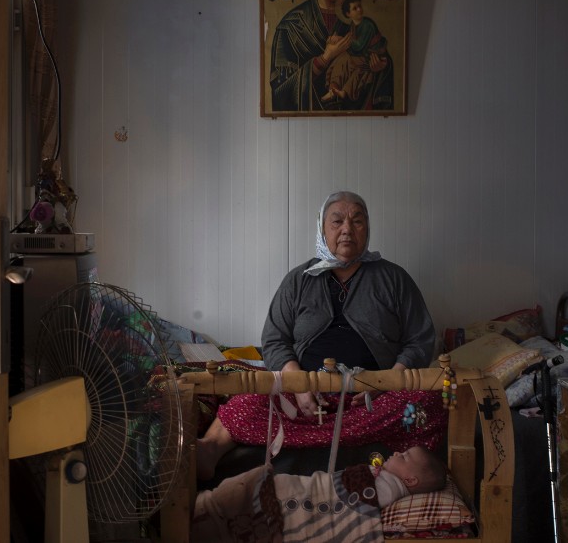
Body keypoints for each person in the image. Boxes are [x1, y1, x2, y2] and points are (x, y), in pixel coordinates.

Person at [196, 191, 445, 482]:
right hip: (301, 395)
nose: (347, 229)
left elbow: (420, 338)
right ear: (322, 228)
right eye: (337, 221)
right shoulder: (299, 279)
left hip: (372, 399)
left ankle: (315, 432)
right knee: (246, 399)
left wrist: (386, 381)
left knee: (430, 402)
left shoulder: (394, 278)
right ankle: (208, 451)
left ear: (368, 228)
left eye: (357, 221)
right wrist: (299, 385)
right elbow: (275, 340)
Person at [191, 445, 446, 541]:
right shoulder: (387, 477)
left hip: (306, 497)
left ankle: (200, 515)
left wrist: (372, 474)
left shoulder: (391, 486)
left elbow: (362, 497)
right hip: (307, 487)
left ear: (410, 479)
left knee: (245, 493)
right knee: (243, 491)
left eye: (405, 456)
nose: (397, 453)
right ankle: (204, 511)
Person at [268, 0, 394, 112]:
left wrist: (379, 68)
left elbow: (382, 62)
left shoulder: (357, 24)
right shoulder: (291, 26)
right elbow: (280, 92)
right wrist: (324, 59)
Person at [322, 0, 389, 103]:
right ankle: (333, 89)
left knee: (357, 68)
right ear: (348, 14)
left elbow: (359, 46)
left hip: (372, 56)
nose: (359, 9)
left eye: (359, 6)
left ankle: (344, 92)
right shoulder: (353, 25)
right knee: (340, 60)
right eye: (355, 8)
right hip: (361, 55)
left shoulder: (368, 24)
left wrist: (342, 40)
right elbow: (354, 48)